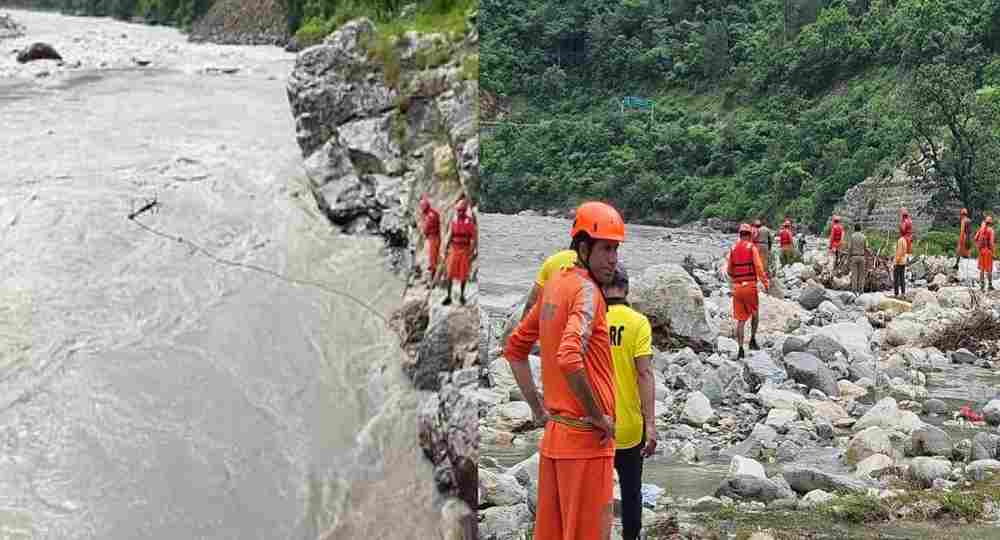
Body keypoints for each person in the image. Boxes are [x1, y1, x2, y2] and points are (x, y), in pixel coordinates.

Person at [504, 201, 625, 540]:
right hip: (587, 444)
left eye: (616, 249)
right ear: (583, 248)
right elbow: (569, 356)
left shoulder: (556, 282)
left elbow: (515, 350)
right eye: (606, 249)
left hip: (555, 441)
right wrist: (599, 416)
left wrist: (537, 408)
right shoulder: (588, 292)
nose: (613, 259)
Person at [602, 263, 656, 540]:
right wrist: (652, 425)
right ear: (626, 289)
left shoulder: (592, 319)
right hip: (630, 426)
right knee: (631, 491)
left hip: (596, 425)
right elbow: (644, 374)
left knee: (595, 496)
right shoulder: (638, 323)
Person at [728, 224, 769, 359]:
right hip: (750, 286)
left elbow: (729, 271)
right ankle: (752, 340)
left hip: (737, 288)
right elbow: (758, 266)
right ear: (750, 235)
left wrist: (736, 280)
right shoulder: (752, 248)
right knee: (755, 313)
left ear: (740, 234)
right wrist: (765, 282)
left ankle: (740, 348)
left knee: (740, 320)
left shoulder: (733, 249)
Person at [443, 197, 477, 305]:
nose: (460, 212)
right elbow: (450, 235)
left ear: (465, 210)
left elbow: (474, 239)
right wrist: (445, 248)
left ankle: (462, 295)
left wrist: (473, 253)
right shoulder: (454, 221)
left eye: (462, 210)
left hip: (465, 250)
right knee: (449, 274)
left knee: (463, 274)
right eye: (458, 210)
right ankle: (448, 296)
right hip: (454, 249)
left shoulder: (470, 223)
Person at [419, 195, 441, 282]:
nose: (421, 209)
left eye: (422, 207)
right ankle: (430, 276)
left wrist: (424, 232)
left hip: (433, 238)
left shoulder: (431, 215)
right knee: (430, 257)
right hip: (432, 237)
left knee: (432, 258)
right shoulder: (431, 213)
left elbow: (426, 228)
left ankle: (432, 279)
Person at [975, 216, 996, 292]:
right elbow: (991, 242)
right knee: (989, 269)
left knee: (982, 269)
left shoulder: (980, 229)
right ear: (990, 223)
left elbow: (975, 238)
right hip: (988, 251)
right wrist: (993, 252)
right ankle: (990, 285)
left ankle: (982, 286)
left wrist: (978, 247)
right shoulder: (991, 230)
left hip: (981, 251)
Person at [847, 223, 867, 295]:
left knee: (854, 275)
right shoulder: (864, 237)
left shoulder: (852, 237)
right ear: (860, 229)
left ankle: (854, 292)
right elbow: (866, 248)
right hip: (862, 257)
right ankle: (861, 292)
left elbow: (849, 248)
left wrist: (848, 258)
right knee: (861, 275)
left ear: (854, 229)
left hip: (854, 257)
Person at [893, 233, 908, 298]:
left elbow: (899, 252)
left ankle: (896, 294)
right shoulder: (904, 240)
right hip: (903, 262)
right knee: (902, 278)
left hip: (899, 262)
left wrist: (896, 262)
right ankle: (903, 293)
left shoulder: (900, 240)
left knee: (896, 279)